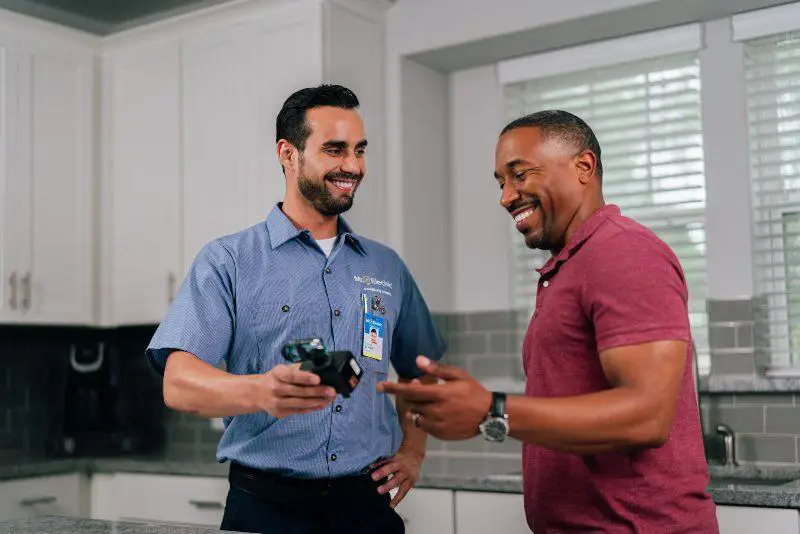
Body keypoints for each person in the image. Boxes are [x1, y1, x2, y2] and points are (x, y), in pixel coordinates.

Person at [379, 110, 719, 532]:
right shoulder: (570, 266)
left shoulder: (625, 252)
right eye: (501, 182)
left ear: (584, 167)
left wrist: (491, 411)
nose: (506, 196)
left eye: (519, 175)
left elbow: (648, 415)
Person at [145, 84, 446, 534]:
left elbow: (424, 372)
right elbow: (179, 384)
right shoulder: (228, 261)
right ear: (288, 154)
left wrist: (414, 453)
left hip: (367, 508)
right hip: (265, 509)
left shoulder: (387, 267)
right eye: (334, 149)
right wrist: (262, 391)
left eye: (360, 150)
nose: (353, 166)